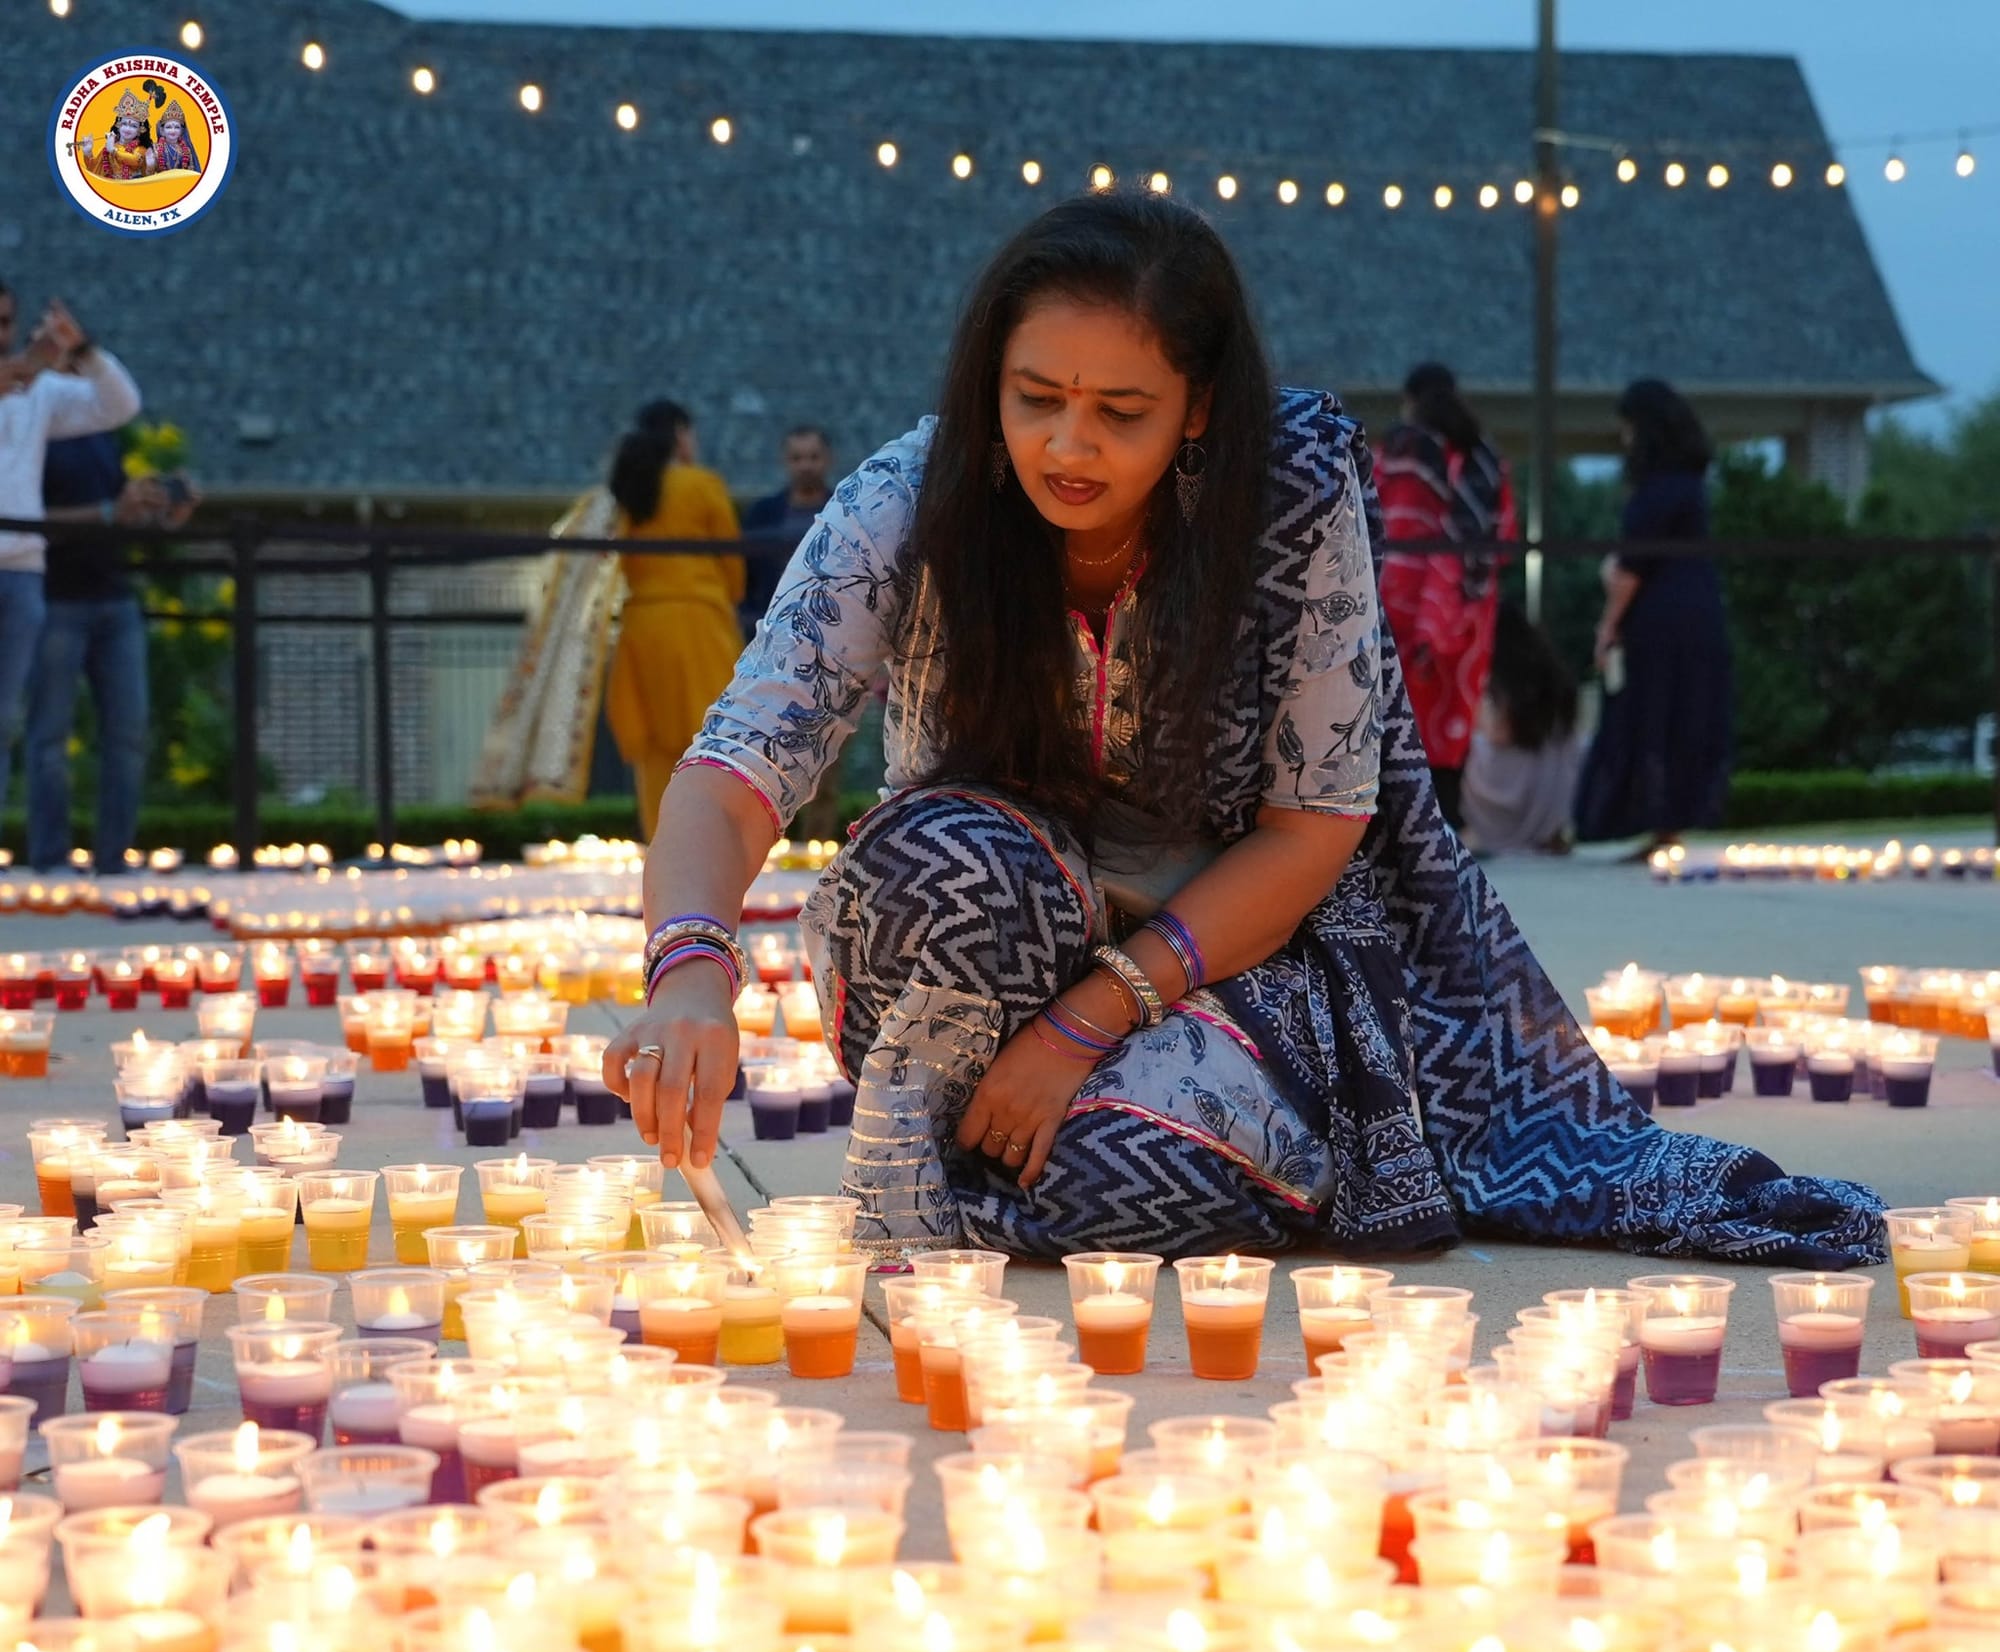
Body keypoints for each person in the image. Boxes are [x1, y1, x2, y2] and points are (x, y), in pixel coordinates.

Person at [605, 191, 1880, 1271]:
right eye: (1035, 397)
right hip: (987, 938)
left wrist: (1087, 1022)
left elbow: (1315, 827)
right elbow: (734, 770)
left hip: (1235, 956)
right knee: (931, 864)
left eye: (1121, 411)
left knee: (1098, 1186)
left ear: (1199, 407)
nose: (1068, 444)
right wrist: (691, 976)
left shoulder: (1285, 511)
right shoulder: (911, 501)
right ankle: (954, 1134)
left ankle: (1154, 1125)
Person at [28, 385, 199, 873]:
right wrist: (106, 513)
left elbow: (121, 518)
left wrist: (162, 513)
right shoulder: (34, 433)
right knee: (50, 738)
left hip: (115, 599)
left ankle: (113, 858)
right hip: (58, 598)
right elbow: (27, 518)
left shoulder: (105, 437)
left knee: (128, 735)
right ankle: (49, 858)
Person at [0, 288, 142, 836]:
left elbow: (119, 405)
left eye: (7, 321)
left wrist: (84, 352)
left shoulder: (37, 393)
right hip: (37, 577)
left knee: (5, 720)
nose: (2, 331)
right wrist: (27, 365)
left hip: (22, 571)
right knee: (41, 733)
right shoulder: (24, 379)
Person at [1574, 379, 1734, 856]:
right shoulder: (1690, 486)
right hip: (1699, 613)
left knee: (1651, 714)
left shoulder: (1658, 491)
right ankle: (1668, 826)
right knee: (1682, 715)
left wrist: (1606, 628)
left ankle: (1653, 820)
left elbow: (1631, 570)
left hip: (1659, 622)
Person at [1375, 361, 1516, 827]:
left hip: (1397, 602)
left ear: (1411, 399)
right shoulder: (1485, 456)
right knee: (1449, 718)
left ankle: (1396, 834)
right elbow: (1504, 538)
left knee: (1392, 715)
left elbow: (1373, 518)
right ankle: (1448, 828)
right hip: (1466, 609)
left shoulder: (1401, 448)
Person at [599, 400, 745, 836]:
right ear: (681, 435)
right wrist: (728, 596)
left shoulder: (624, 492)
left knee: (655, 751)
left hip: (641, 627)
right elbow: (732, 563)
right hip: (696, 620)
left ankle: (661, 854)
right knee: (712, 740)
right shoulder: (700, 484)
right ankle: (713, 853)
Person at [1459, 599, 1580, 856]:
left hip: (1507, 773)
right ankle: (1550, 833)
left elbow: (1498, 733)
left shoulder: (1495, 672)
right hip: (1551, 774)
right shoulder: (1552, 670)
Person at [739, 426, 834, 636]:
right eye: (797, 458)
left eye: (814, 457)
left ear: (828, 459)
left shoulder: (843, 510)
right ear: (784, 461)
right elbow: (745, 575)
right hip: (771, 626)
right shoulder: (762, 514)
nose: (806, 466)